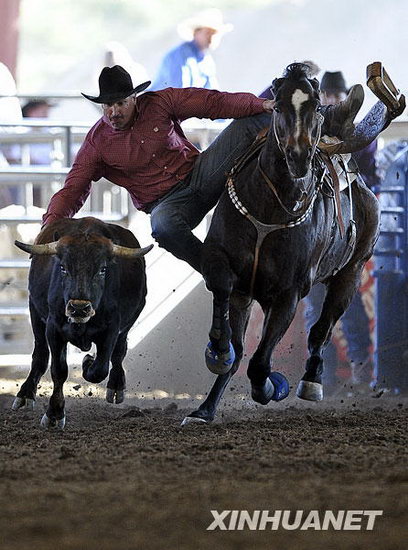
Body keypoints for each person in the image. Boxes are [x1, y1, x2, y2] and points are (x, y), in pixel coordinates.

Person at [41, 64, 393, 278]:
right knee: (162, 227)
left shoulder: (160, 101)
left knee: (257, 117)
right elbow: (74, 188)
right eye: (107, 105)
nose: (114, 111)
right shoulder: (97, 143)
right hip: (169, 203)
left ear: (134, 98)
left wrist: (263, 103)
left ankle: (330, 121)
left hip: (203, 172)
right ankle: (213, 271)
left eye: (120, 102)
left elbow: (213, 102)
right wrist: (50, 226)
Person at [304, 70, 380, 391]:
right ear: (320, 98)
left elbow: (367, 172)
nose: (332, 100)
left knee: (344, 309)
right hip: (322, 235)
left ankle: (358, 371)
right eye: (328, 95)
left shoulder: (353, 133)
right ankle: (322, 370)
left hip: (346, 232)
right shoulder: (307, 130)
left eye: (338, 96)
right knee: (318, 305)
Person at [149, 8, 233, 91]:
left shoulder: (207, 61)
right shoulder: (180, 56)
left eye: (214, 34)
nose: (211, 37)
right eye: (208, 33)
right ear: (196, 32)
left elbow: (213, 93)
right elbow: (178, 94)